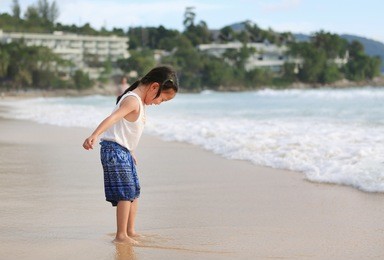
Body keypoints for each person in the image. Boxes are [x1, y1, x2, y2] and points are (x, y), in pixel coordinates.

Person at [82, 66, 179, 244]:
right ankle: (121, 235)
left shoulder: (139, 102)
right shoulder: (133, 101)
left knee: (134, 192)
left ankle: (130, 231)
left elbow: (125, 130)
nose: (158, 103)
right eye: (162, 100)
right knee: (125, 193)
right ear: (154, 87)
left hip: (123, 151)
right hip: (114, 150)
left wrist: (131, 150)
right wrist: (94, 135)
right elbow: (113, 119)